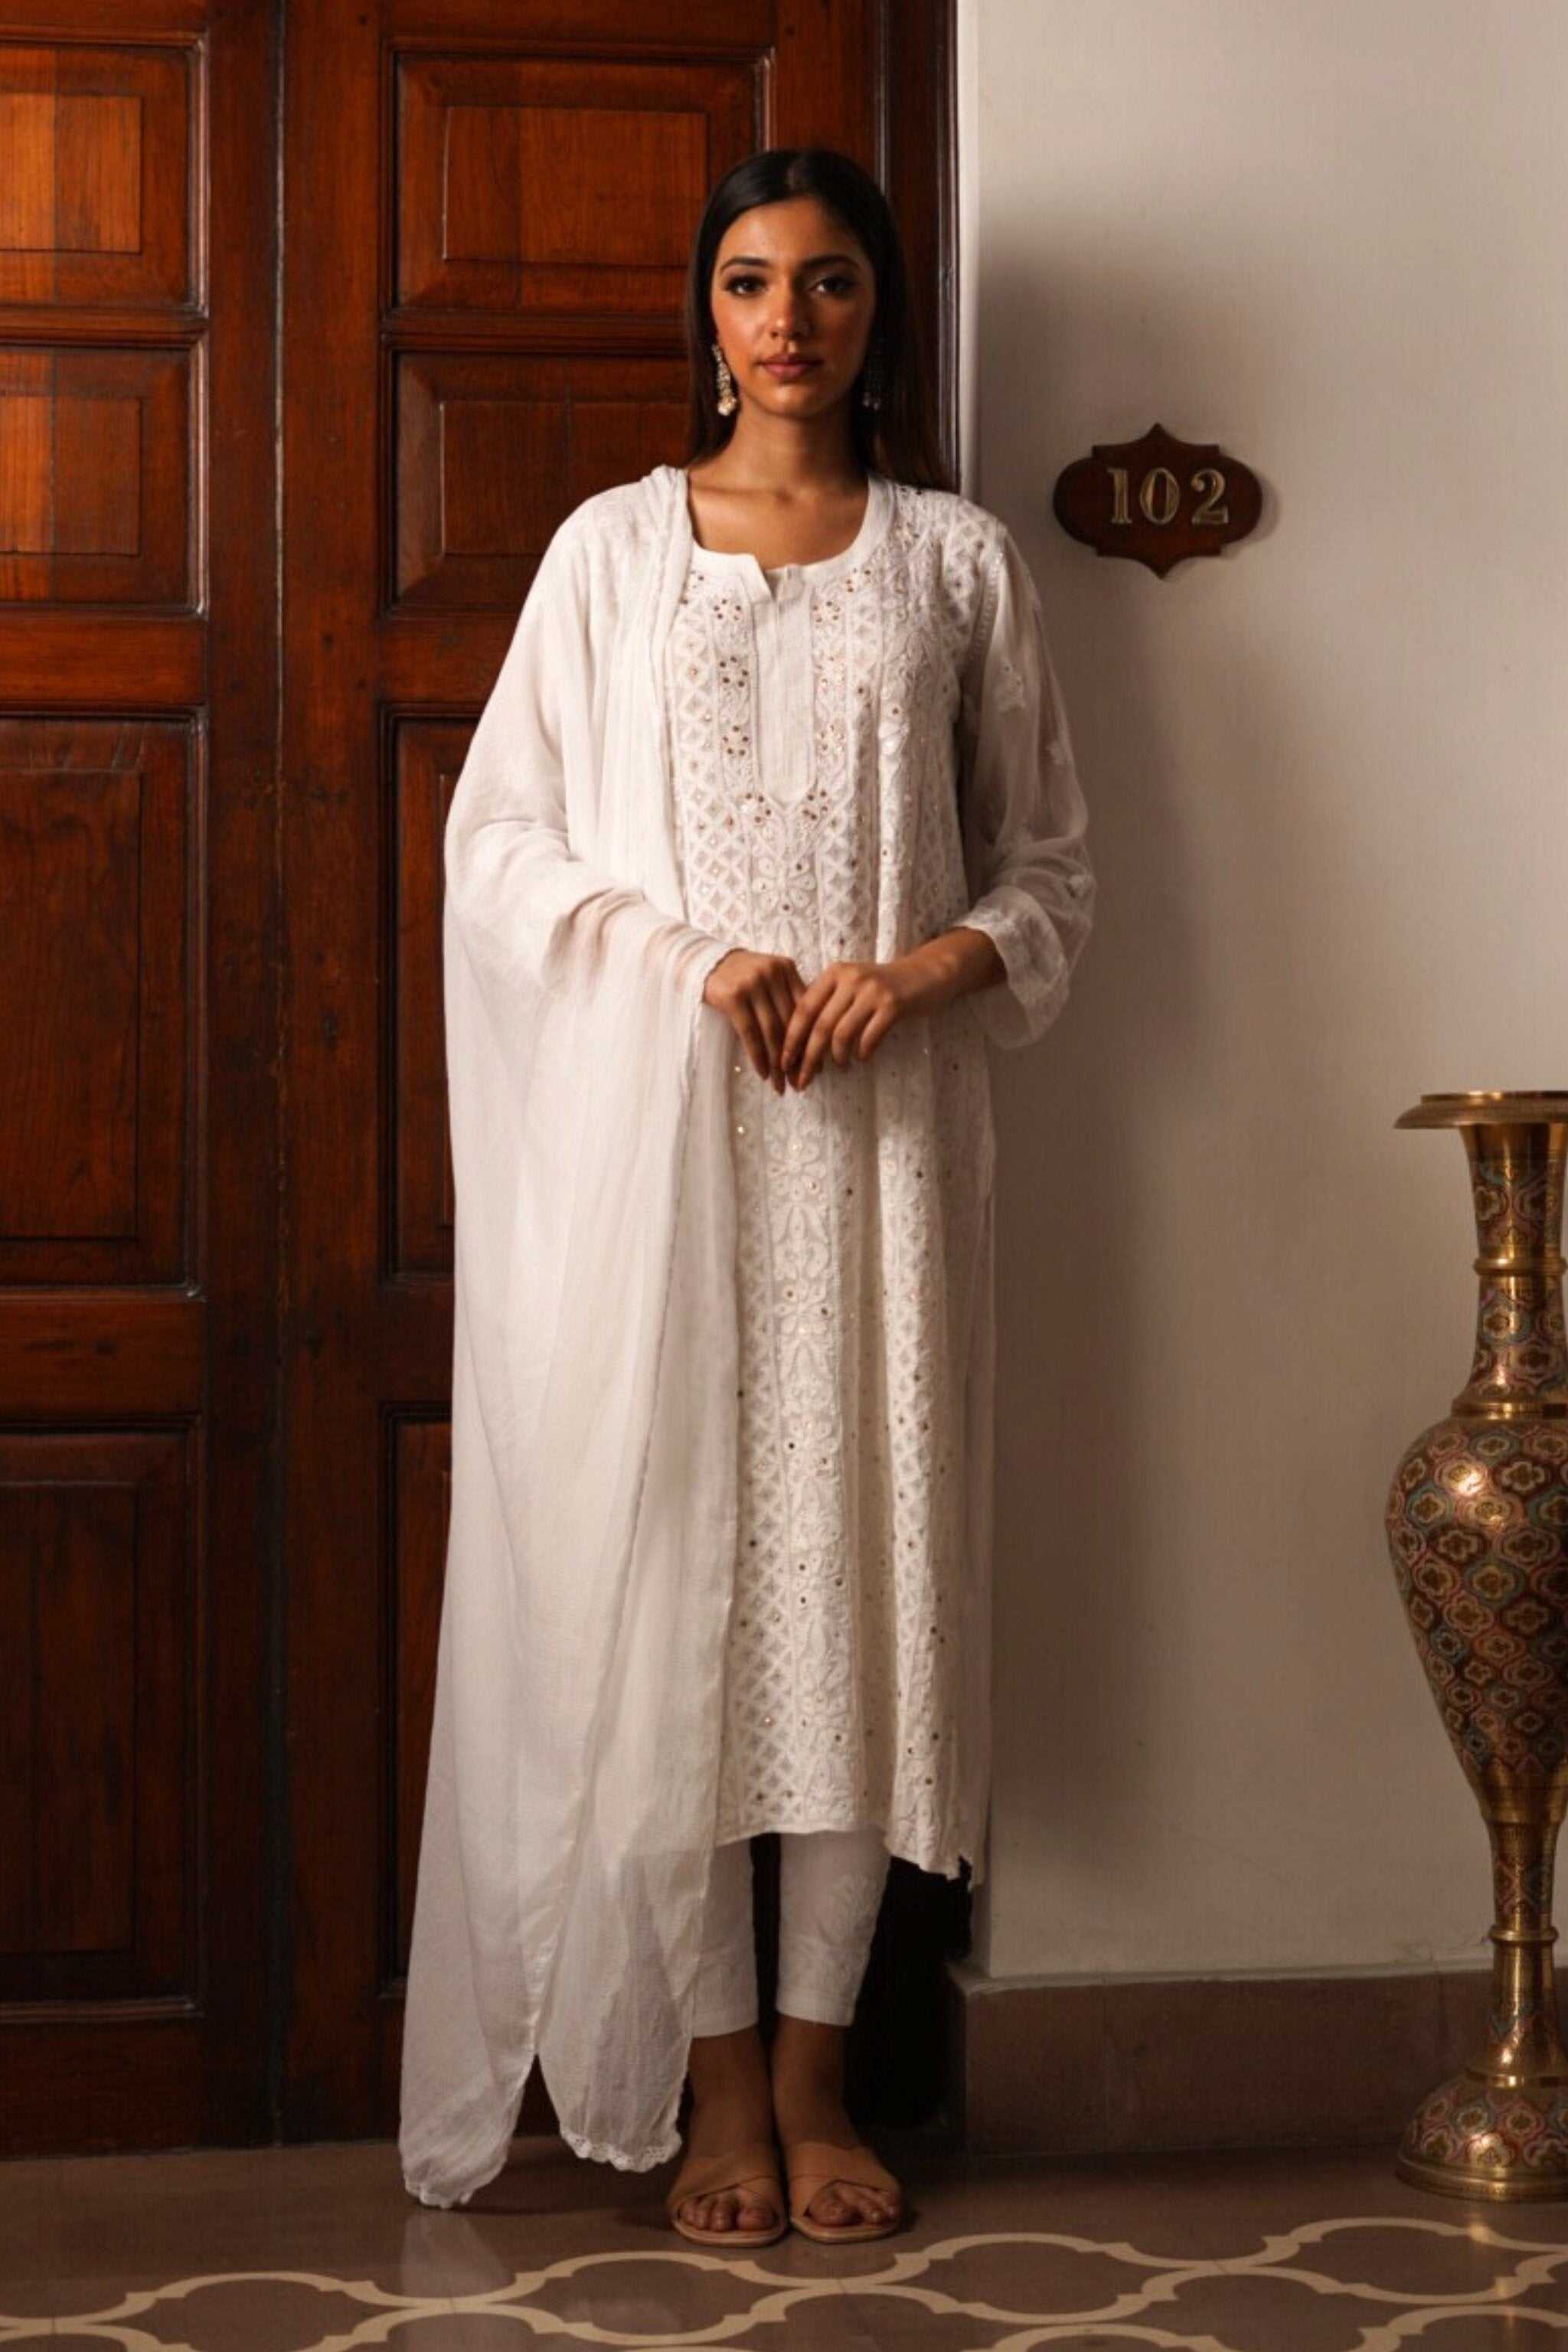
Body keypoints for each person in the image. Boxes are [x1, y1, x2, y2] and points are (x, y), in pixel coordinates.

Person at [397, 146, 1096, 2244]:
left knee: (863, 1609)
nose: (785, 319)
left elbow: (1053, 871)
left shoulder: (959, 566)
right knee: (666, 1611)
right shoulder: (612, 558)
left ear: (880, 316)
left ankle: (817, 2081)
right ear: (703, 316)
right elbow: (497, 848)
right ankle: (710, 2086)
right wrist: (693, 961)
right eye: (745, 282)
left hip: (880, 1163)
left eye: (827, 283)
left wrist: (916, 972)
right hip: (663, 1161)